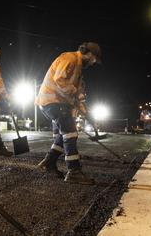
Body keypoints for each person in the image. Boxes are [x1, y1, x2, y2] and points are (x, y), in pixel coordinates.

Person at [35, 42, 102, 184]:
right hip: (52, 101)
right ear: (89, 54)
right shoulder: (70, 58)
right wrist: (75, 93)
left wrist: (87, 115)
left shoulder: (77, 67)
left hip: (55, 102)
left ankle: (49, 162)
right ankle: (74, 172)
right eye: (94, 59)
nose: (94, 62)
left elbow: (77, 97)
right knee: (71, 134)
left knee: (63, 135)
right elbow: (59, 79)